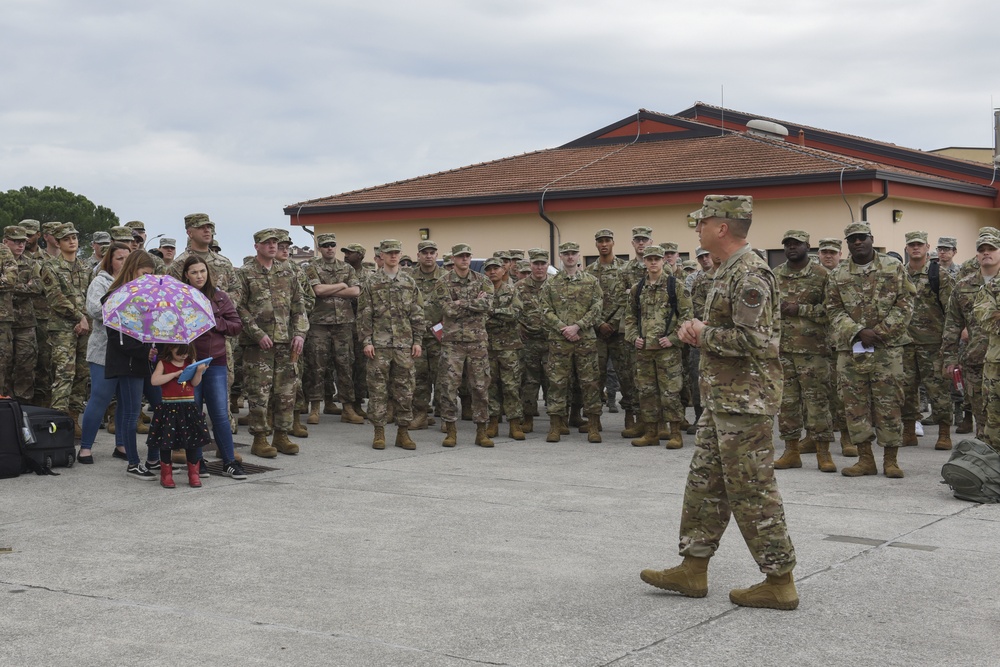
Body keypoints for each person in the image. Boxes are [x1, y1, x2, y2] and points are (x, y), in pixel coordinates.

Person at [641, 195, 798, 611]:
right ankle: (693, 567)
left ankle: (779, 580)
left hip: (745, 403)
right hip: (722, 400)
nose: (697, 228)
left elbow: (757, 341)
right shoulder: (726, 270)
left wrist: (701, 332)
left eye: (703, 222)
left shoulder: (750, 274)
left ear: (722, 228)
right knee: (704, 484)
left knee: (752, 489)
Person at [825, 222, 914, 478]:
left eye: (862, 238)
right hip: (851, 350)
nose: (857, 243)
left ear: (871, 239)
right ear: (847, 243)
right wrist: (857, 331)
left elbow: (906, 302)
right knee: (854, 405)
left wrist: (881, 332)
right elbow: (833, 309)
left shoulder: (893, 266)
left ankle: (891, 460)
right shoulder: (838, 274)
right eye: (852, 239)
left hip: (887, 349)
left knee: (890, 403)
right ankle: (865, 459)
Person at [234, 228, 309, 458]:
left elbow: (299, 304)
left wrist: (299, 333)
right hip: (258, 346)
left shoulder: (287, 271)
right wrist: (257, 333)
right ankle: (260, 438)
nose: (273, 246)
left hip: (286, 343)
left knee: (286, 392)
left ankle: (281, 435)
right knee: (259, 393)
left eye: (275, 242)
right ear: (257, 246)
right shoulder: (245, 273)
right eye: (267, 242)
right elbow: (239, 307)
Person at [772, 230, 835, 472]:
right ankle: (791, 451)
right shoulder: (776, 275)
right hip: (783, 351)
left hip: (814, 351)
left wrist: (800, 310)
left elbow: (831, 310)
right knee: (787, 403)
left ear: (807, 246)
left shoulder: (821, 275)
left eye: (796, 244)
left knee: (817, 402)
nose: (791, 248)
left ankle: (823, 452)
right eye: (787, 244)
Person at [182, 256, 246, 479]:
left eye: (202, 271)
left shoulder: (220, 297)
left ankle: (229, 461)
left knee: (219, 413)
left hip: (215, 361)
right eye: (194, 272)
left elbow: (236, 325)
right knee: (194, 413)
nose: (199, 276)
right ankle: (197, 460)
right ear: (186, 275)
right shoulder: (182, 298)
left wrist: (214, 322)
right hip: (189, 363)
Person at [357, 239, 424, 449]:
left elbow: (417, 313)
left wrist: (418, 340)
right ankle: (379, 432)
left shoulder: (409, 282)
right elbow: (364, 314)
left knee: (405, 389)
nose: (393, 256)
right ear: (381, 256)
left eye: (396, 252)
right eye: (389, 253)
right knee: (378, 390)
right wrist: (366, 341)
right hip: (379, 345)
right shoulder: (371, 282)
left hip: (404, 345)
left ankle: (403, 433)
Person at [623, 244, 691, 447]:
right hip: (644, 351)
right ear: (644, 262)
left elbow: (687, 316)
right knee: (646, 392)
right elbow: (629, 317)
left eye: (657, 259)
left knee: (671, 392)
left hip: (667, 351)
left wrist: (673, 338)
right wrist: (634, 336)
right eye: (649, 259)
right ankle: (651, 433)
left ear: (663, 261)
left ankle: (675, 433)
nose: (653, 262)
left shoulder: (675, 286)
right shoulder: (638, 288)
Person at [103, 250, 160, 479]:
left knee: (162, 407)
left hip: (147, 363)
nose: (147, 279)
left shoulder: (147, 296)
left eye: (151, 275)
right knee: (131, 412)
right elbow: (116, 337)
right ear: (133, 270)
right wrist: (143, 351)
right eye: (144, 273)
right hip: (127, 363)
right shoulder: (115, 296)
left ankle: (154, 457)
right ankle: (133, 463)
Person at [540, 242, 604, 443]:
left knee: (590, 383)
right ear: (560, 256)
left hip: (584, 339)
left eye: (573, 253)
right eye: (566, 254)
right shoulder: (551, 283)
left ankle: (593, 426)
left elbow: (597, 307)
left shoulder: (591, 281)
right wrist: (563, 328)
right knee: (557, 383)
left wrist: (577, 326)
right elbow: (545, 310)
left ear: (579, 255)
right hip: (559, 341)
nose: (570, 257)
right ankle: (556, 426)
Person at [433, 243, 494, 447]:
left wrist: (461, 303)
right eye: (461, 256)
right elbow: (447, 310)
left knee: (480, 386)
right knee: (449, 386)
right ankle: (450, 430)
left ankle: (481, 431)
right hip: (452, 343)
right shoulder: (443, 282)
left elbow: (488, 305)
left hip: (477, 342)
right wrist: (473, 303)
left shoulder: (482, 280)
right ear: (453, 259)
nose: (465, 259)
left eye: (468, 256)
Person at [900, 231, 955, 450]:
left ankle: (944, 432)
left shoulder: (938, 274)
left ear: (927, 247)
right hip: (904, 342)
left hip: (932, 342)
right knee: (906, 389)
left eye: (919, 245)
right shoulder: (899, 274)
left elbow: (951, 310)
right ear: (906, 248)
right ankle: (909, 430)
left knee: (937, 389)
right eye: (911, 245)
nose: (915, 248)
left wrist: (949, 340)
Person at [79, 242, 132, 462]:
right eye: (120, 258)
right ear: (110, 260)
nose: (124, 262)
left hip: (129, 350)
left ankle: (121, 445)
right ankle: (85, 448)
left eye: (127, 258)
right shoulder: (100, 281)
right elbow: (94, 310)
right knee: (100, 398)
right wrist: (123, 305)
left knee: (126, 400)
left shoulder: (134, 283)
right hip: (104, 349)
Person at [303, 233, 363, 424]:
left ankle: (348, 408)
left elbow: (355, 291)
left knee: (345, 366)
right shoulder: (312, 267)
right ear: (320, 248)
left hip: (343, 324)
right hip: (319, 324)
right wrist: (342, 285)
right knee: (317, 366)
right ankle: (314, 408)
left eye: (332, 245)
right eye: (325, 245)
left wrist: (330, 288)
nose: (330, 248)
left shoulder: (346, 267)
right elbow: (316, 291)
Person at [40, 223, 93, 436]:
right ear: (58, 243)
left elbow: (91, 296)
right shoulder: (50, 266)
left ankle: (73, 417)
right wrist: (79, 317)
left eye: (74, 237)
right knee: (64, 373)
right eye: (67, 238)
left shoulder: (86, 267)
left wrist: (86, 319)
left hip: (85, 327)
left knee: (82, 374)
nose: (72, 241)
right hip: (62, 328)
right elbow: (55, 298)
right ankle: (58, 421)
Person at [584, 229, 637, 436]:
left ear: (613, 243)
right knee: (595, 376)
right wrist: (598, 323)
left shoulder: (625, 269)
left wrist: (612, 323)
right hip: (596, 332)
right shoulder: (589, 272)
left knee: (626, 375)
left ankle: (630, 416)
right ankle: (594, 420)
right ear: (596, 245)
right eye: (600, 241)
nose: (604, 244)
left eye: (607, 241)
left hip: (620, 331)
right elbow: (587, 302)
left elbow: (629, 299)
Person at [944, 234, 996, 440]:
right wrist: (949, 358)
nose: (986, 252)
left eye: (991, 248)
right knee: (981, 418)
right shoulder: (963, 286)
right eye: (982, 249)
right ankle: (986, 463)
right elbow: (952, 324)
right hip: (975, 360)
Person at [147, 344, 212, 488]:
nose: (183, 356)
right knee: (166, 441)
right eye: (179, 353)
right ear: (170, 349)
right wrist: (174, 374)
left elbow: (195, 383)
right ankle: (166, 474)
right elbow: (154, 381)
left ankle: (193, 474)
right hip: (168, 407)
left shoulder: (191, 362)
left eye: (186, 353)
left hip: (188, 406)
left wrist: (199, 372)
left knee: (192, 441)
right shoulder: (163, 363)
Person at [483, 257, 525, 439]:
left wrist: (492, 312)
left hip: (509, 346)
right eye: (489, 269)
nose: (493, 272)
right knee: (490, 385)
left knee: (511, 386)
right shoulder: (481, 291)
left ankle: (514, 423)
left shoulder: (512, 290)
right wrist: (498, 315)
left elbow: (515, 314)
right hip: (487, 346)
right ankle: (493, 421)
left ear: (503, 270)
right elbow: (477, 315)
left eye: (496, 268)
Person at [4, 226, 42, 403]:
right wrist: (22, 287)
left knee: (26, 364)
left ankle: (23, 404)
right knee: (4, 363)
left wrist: (10, 287)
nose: (20, 245)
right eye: (16, 241)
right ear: (6, 242)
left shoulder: (31, 263)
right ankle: (5, 402)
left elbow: (37, 288)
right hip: (4, 320)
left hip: (25, 322)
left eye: (23, 242)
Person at [411, 240, 446, 429]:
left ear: (437, 255)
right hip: (417, 337)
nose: (428, 255)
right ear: (418, 255)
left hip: (439, 336)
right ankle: (421, 415)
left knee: (442, 378)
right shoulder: (409, 278)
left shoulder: (446, 278)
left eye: (432, 252)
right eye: (425, 252)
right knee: (418, 378)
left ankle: (446, 418)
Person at [515, 249, 551, 433]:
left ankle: (557, 420)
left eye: (542, 264)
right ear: (531, 266)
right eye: (536, 264)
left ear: (547, 265)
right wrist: (518, 327)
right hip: (529, 342)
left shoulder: (556, 284)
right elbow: (513, 311)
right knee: (529, 382)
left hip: (552, 341)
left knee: (555, 382)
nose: (539, 267)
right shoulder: (520, 287)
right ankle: (527, 418)